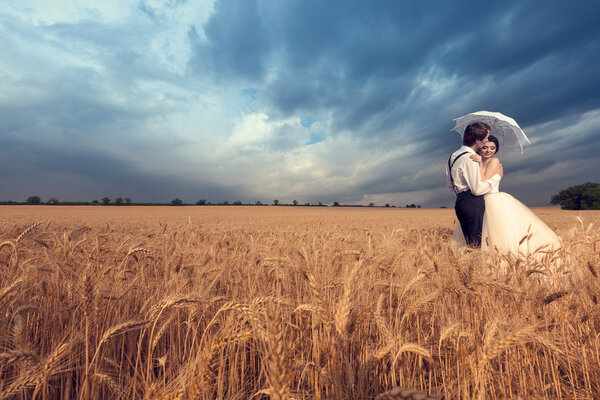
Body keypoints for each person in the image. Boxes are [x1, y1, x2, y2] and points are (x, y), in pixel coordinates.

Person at [451, 135, 562, 258]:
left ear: (496, 149)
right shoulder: (474, 161)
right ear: (479, 149)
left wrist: (481, 165)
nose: (489, 150)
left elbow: (483, 180)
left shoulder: (494, 161)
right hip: (479, 200)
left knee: (499, 235)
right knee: (482, 235)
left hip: (493, 200)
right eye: (485, 147)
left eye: (492, 148)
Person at [446, 122, 504, 247]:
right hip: (473, 203)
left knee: (469, 245)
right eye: (485, 139)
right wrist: (497, 177)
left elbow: (450, 185)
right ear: (478, 140)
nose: (487, 142)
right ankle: (477, 266)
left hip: (459, 202)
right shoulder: (470, 158)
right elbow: (477, 190)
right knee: (477, 246)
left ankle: (471, 266)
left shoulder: (453, 156)